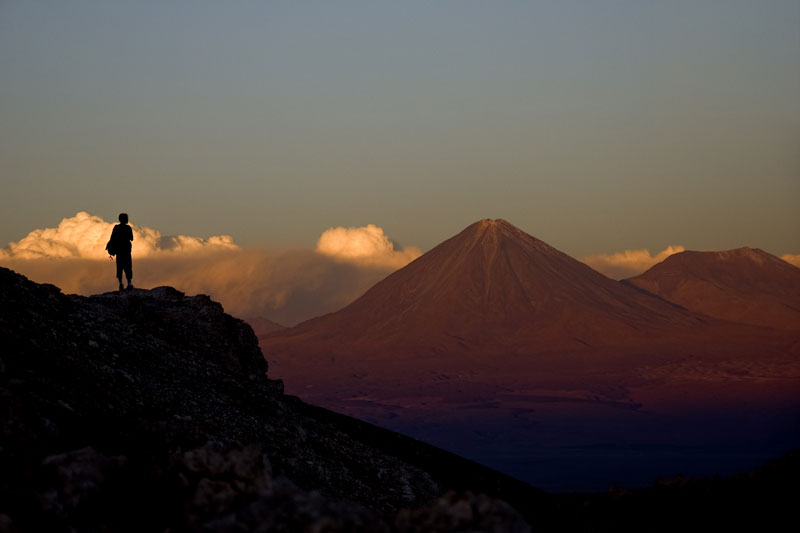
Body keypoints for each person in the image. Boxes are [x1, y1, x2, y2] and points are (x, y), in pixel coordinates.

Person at [108, 213, 134, 291]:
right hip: (126, 251)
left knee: (119, 267)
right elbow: (132, 238)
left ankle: (121, 284)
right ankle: (129, 283)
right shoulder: (128, 228)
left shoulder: (116, 228)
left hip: (119, 251)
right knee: (128, 267)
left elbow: (112, 238)